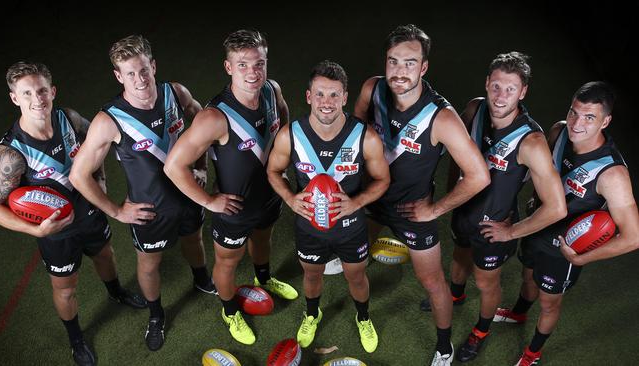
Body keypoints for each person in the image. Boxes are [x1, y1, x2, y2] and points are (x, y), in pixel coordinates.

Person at [0, 62, 146, 366]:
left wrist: (99, 179)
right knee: (65, 288)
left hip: (90, 211)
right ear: (14, 98)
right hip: (57, 232)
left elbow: (97, 143)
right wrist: (35, 231)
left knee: (106, 255)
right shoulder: (11, 154)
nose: (37, 99)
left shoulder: (69, 119)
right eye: (27, 93)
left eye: (42, 90)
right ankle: (76, 338)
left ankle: (116, 292)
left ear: (53, 91)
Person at [354, 24, 491, 365]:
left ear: (424, 67)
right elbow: (354, 126)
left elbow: (478, 176)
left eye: (410, 63)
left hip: (411, 210)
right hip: (372, 199)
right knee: (353, 261)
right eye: (394, 61)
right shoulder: (373, 89)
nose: (400, 71)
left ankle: (444, 347)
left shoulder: (441, 117)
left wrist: (436, 209)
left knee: (432, 282)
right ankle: (361, 312)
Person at [68, 35, 216, 352]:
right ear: (118, 76)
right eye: (130, 73)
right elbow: (79, 175)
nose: (139, 79)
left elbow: (202, 121)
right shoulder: (109, 120)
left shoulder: (175, 92)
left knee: (195, 240)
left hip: (189, 196)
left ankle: (202, 279)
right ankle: (156, 315)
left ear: (153, 66)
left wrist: (201, 165)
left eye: (143, 70)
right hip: (150, 211)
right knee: (149, 265)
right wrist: (117, 211)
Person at [418, 52, 567, 362]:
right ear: (487, 83)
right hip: (463, 213)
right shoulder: (474, 109)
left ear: (523, 92)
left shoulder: (532, 142)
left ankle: (481, 332)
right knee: (458, 257)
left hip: (494, 226)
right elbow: (456, 154)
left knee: (486, 281)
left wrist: (511, 231)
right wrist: (450, 193)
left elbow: (556, 207)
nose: (501, 96)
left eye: (510, 89)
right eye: (496, 86)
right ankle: (455, 296)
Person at [164, 29, 298, 346]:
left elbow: (284, 118)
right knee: (227, 262)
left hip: (270, 197)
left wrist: (283, 158)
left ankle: (264, 277)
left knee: (264, 240)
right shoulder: (215, 117)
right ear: (228, 67)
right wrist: (210, 202)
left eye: (259, 64)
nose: (253, 73)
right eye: (242, 65)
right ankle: (229, 311)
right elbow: (173, 166)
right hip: (234, 210)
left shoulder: (271, 89)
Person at [494, 81, 639, 366]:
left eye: (589, 118)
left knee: (549, 302)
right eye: (574, 112)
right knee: (527, 276)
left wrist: (580, 256)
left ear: (605, 121)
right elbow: (539, 170)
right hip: (536, 226)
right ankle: (520, 312)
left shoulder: (613, 174)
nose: (577, 123)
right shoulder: (559, 132)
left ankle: (533, 353)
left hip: (564, 250)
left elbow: (634, 237)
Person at [267, 60, 390, 353]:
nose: (327, 102)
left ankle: (363, 317)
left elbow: (383, 179)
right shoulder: (290, 135)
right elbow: (273, 171)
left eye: (334, 95)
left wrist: (357, 202)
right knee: (312, 275)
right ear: (308, 96)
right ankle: (312, 314)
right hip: (309, 226)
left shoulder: (365, 136)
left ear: (345, 98)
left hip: (351, 227)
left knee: (356, 276)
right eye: (320, 94)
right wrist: (289, 198)